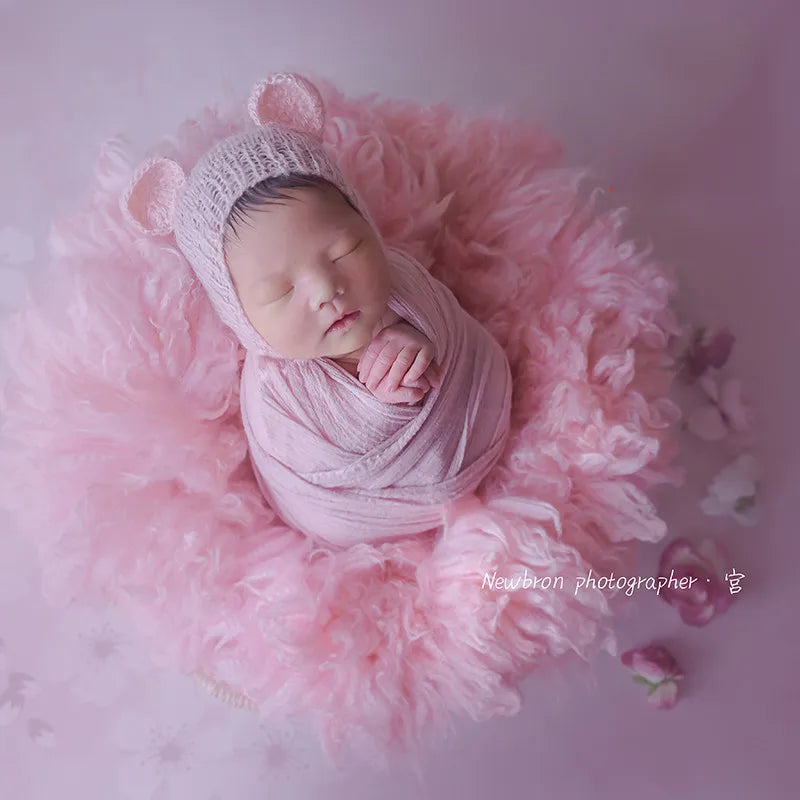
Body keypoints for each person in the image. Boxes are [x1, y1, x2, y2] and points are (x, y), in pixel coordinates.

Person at [121, 71, 512, 547]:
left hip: (481, 418)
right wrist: (380, 407)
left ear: (367, 226)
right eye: (281, 291)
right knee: (324, 525)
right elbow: (306, 466)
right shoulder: (276, 394)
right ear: (240, 314)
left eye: (343, 250)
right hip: (361, 513)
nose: (326, 289)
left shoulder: (402, 277)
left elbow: (451, 325)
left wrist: (420, 339)